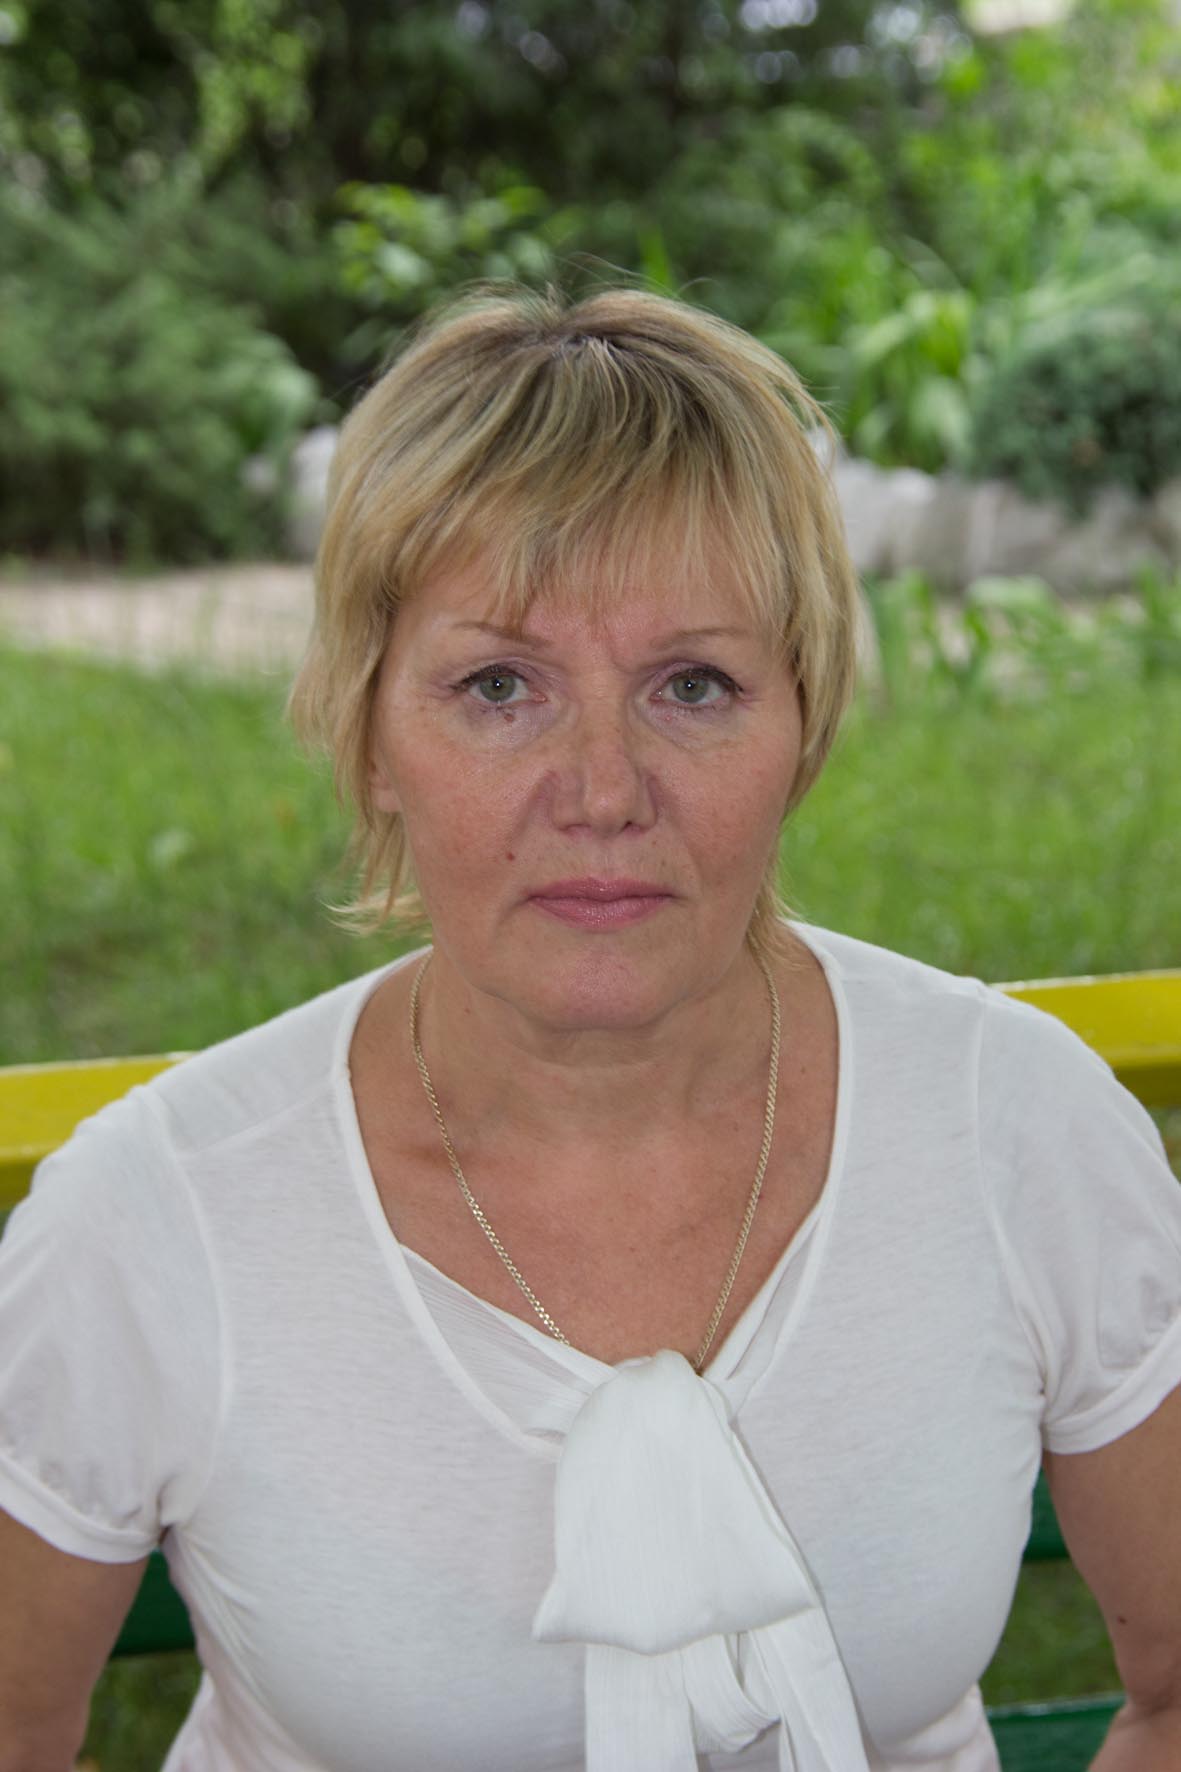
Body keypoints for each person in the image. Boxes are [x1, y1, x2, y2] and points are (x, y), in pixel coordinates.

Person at [1, 286, 1180, 1772]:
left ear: (803, 724)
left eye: (694, 685)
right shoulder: (156, 1219)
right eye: (499, 687)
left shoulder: (1017, 1129)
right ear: (369, 733)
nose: (604, 790)